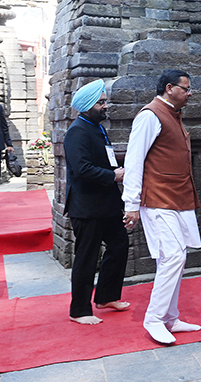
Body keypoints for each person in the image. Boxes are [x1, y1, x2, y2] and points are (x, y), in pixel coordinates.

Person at [122, 69, 201, 344]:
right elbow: (134, 161)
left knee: (176, 258)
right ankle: (154, 319)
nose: (189, 93)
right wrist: (131, 204)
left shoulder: (173, 115)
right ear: (170, 88)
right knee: (173, 257)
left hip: (177, 198)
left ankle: (169, 318)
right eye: (186, 88)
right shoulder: (149, 115)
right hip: (157, 198)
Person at [63, 79, 129, 325]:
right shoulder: (77, 131)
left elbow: (103, 159)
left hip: (106, 204)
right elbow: (81, 169)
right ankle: (79, 310)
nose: (106, 106)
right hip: (87, 208)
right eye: (101, 102)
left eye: (105, 101)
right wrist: (113, 175)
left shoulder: (96, 128)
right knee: (87, 257)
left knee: (119, 245)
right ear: (88, 105)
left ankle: (106, 297)